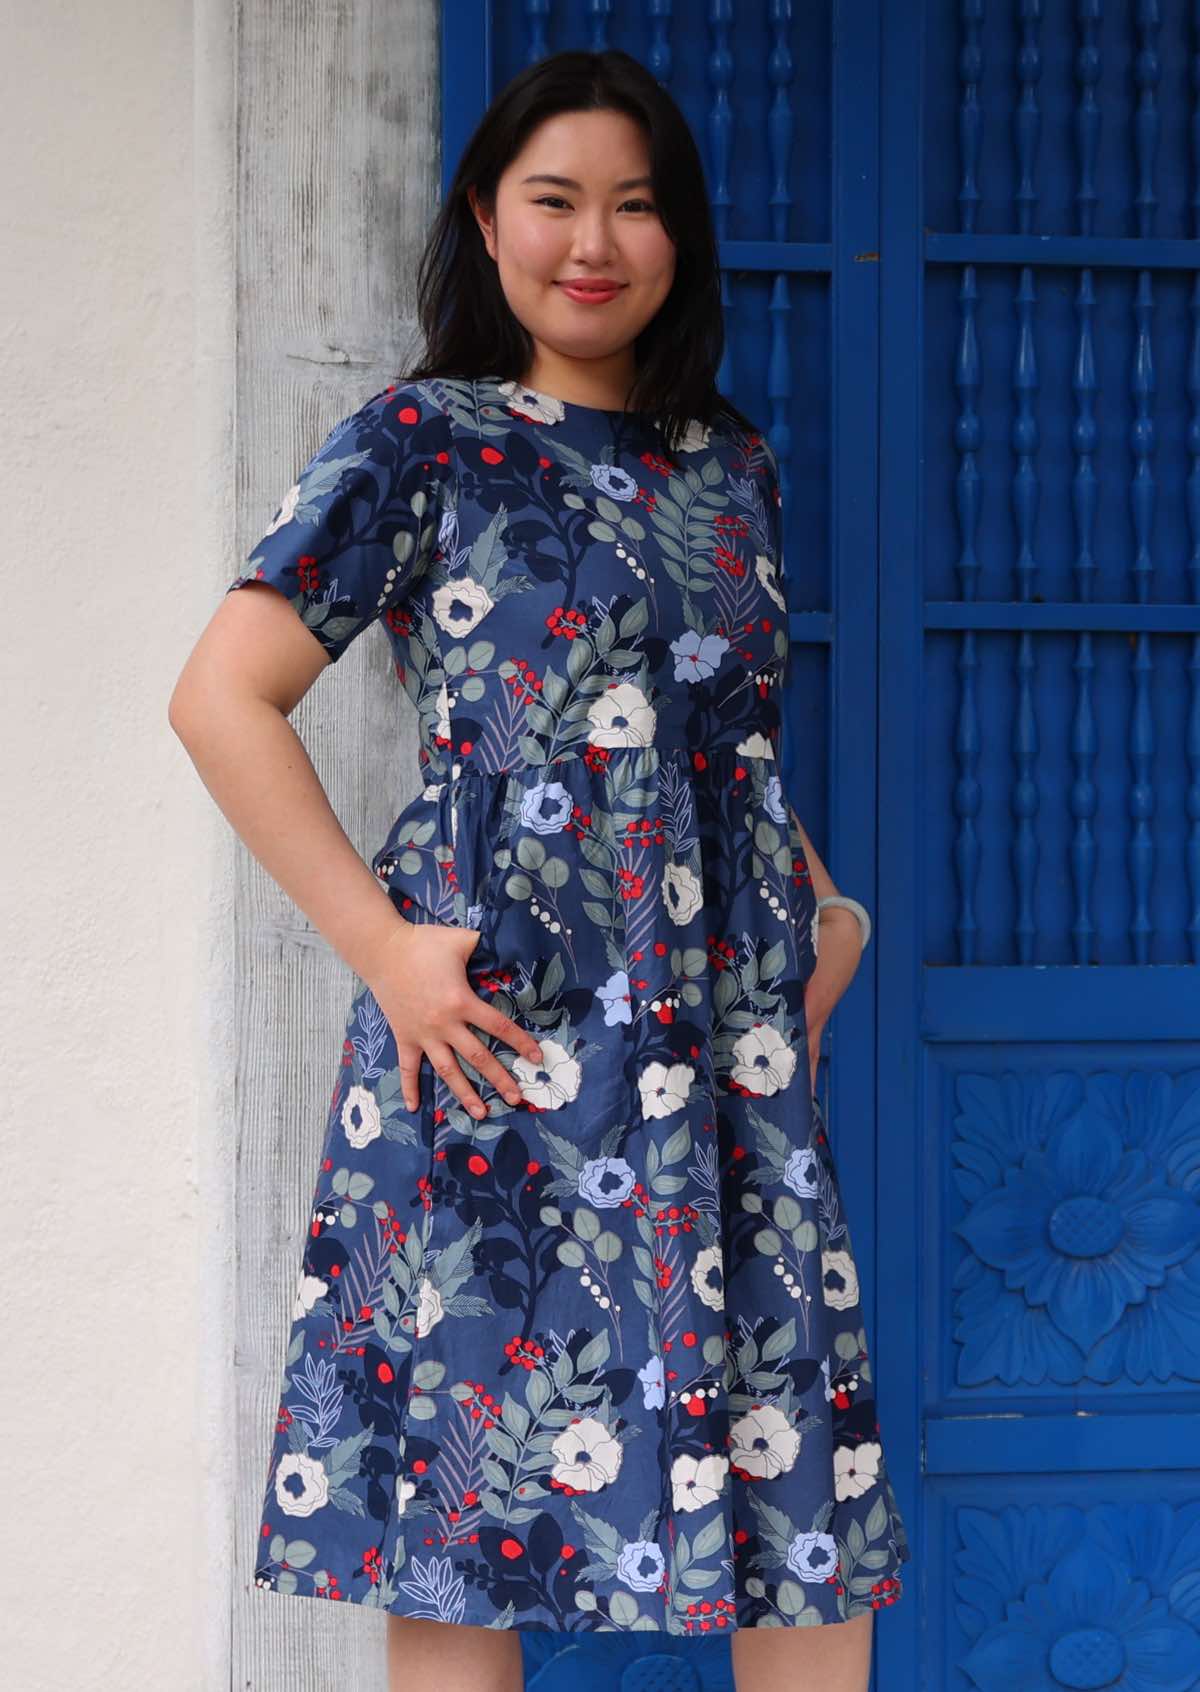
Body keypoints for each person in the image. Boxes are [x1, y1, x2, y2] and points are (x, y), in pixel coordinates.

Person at [169, 46, 910, 1692]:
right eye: (556, 199)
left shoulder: (731, 467)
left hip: (724, 1066)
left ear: (679, 239)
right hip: (495, 1040)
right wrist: (384, 950)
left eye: (635, 207)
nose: (596, 241)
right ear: (486, 223)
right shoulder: (417, 442)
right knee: (467, 1509)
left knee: (799, 1507)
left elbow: (713, 737)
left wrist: (826, 906)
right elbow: (223, 700)